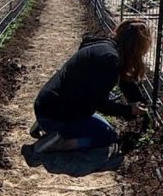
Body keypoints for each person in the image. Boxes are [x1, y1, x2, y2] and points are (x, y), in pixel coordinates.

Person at [31, 18, 151, 153]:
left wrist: (138, 101)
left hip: (48, 104)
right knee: (107, 136)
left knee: (103, 126)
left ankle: (48, 125)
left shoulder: (104, 47)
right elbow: (100, 104)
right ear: (135, 48)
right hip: (56, 113)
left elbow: (124, 80)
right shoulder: (109, 60)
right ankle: (58, 141)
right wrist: (129, 110)